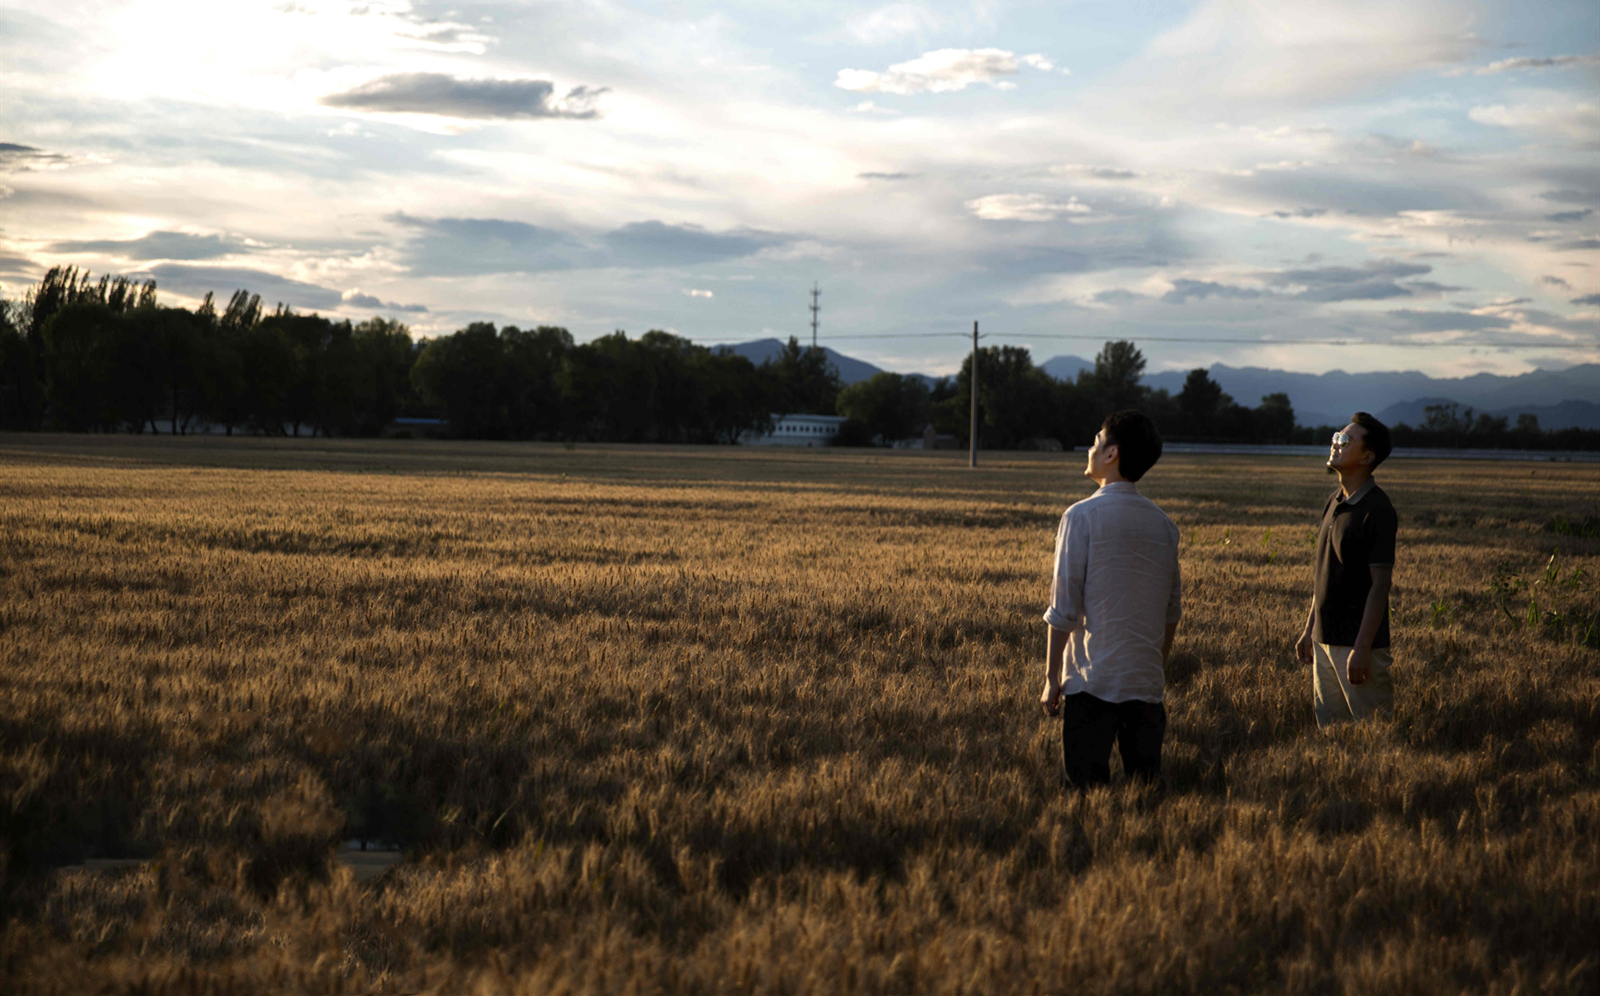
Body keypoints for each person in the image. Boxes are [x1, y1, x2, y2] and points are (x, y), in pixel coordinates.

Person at [1040, 410, 1182, 790]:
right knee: (1147, 794)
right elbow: (1171, 612)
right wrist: (1154, 667)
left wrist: (1052, 678)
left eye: (1095, 441)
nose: (1090, 448)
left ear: (1111, 454)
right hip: (1147, 685)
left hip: (1091, 683)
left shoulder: (1080, 517)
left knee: (1086, 794)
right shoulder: (1165, 526)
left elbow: (1064, 610)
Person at [1295, 412, 1398, 727]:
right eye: (1336, 436)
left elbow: (1379, 586)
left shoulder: (1377, 510)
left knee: (1373, 734)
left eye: (1345, 440)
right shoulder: (1334, 500)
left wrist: (1362, 648)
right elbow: (1325, 575)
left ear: (1367, 456)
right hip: (1323, 642)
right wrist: (1309, 630)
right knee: (1331, 734)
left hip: (1356, 646)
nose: (1335, 444)